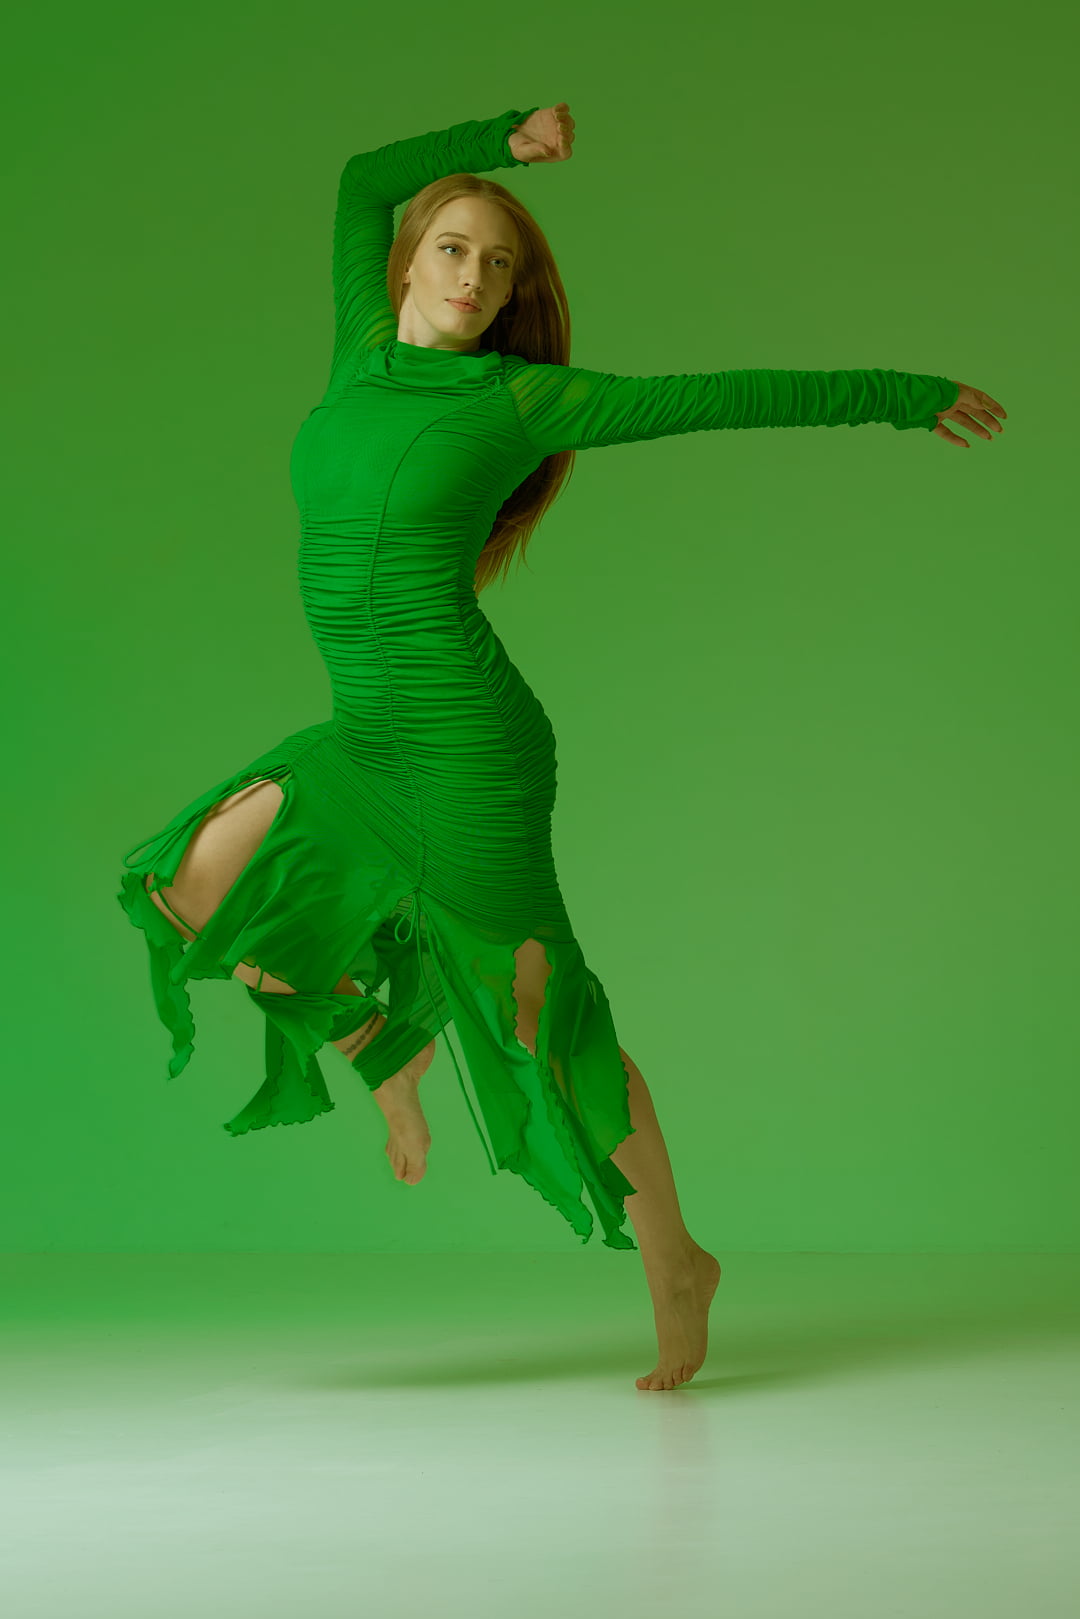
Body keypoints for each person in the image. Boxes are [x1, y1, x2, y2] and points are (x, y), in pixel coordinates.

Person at [116, 101, 1006, 1392]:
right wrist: (499, 133)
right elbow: (364, 175)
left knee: (545, 1014)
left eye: (500, 267)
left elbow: (725, 399)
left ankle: (677, 1264)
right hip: (366, 737)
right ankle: (386, 1050)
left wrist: (904, 397)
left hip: (471, 746)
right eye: (457, 250)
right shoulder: (358, 353)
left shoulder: (519, 399)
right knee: (190, 885)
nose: (477, 279)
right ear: (409, 262)